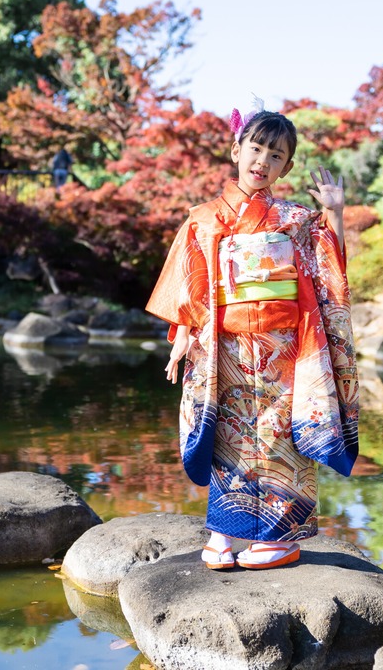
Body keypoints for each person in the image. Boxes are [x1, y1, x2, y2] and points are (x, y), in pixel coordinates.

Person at [145, 107, 359, 570]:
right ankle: (224, 532)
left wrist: (334, 213)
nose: (262, 160)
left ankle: (280, 538)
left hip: (285, 345)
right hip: (226, 344)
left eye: (275, 154)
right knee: (229, 433)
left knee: (280, 435)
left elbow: (329, 268)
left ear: (287, 166)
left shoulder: (297, 219)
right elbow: (192, 283)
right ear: (236, 150)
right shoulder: (204, 218)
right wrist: (182, 334)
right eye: (256, 148)